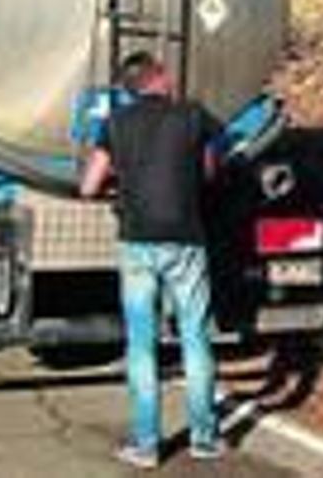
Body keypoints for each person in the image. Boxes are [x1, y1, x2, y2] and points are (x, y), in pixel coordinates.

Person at [79, 50, 223, 469]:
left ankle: (145, 445)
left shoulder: (115, 124)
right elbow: (209, 173)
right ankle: (203, 438)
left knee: (141, 344)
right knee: (195, 335)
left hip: (137, 242)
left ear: (129, 87)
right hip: (185, 241)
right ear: (158, 78)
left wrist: (121, 185)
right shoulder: (194, 115)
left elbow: (89, 186)